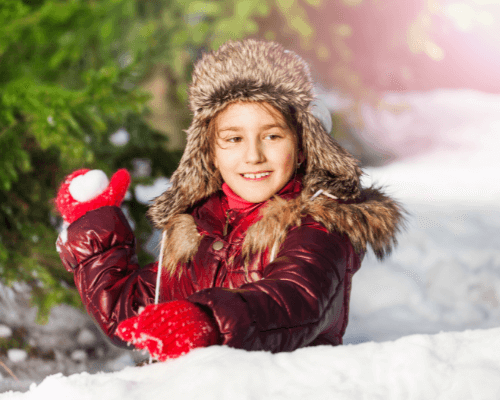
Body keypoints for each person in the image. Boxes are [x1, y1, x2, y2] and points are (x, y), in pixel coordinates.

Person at [54, 39, 404, 361]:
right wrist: (94, 230)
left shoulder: (320, 223)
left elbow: (296, 299)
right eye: (234, 139)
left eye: (271, 136)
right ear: (209, 153)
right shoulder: (197, 230)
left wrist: (208, 320)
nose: (253, 155)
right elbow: (129, 317)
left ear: (301, 148)